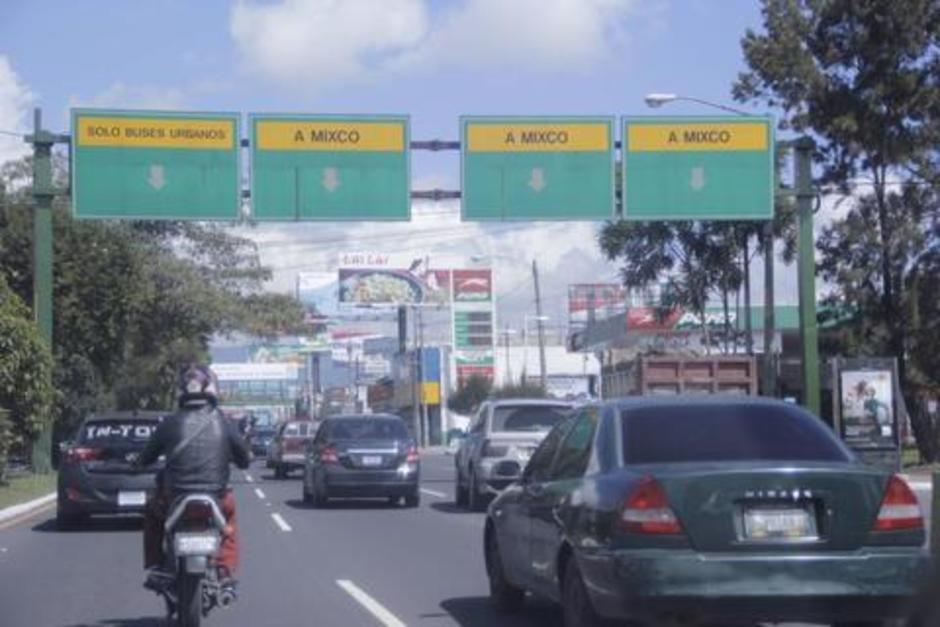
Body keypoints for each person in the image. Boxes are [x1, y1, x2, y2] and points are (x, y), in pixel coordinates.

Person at [137, 364, 251, 595]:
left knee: (152, 512)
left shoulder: (169, 423)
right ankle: (225, 572)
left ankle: (157, 566)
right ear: (212, 390)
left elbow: (145, 458)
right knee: (229, 522)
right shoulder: (224, 423)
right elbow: (245, 459)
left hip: (173, 497)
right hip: (217, 496)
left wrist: (137, 463)